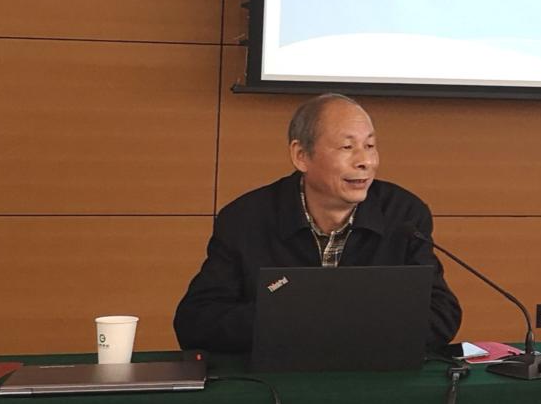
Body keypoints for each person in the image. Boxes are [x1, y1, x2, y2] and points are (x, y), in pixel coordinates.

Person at [173, 93, 461, 353]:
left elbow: (441, 314)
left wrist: (341, 327)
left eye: (370, 145)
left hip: (375, 376)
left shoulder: (404, 215)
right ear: (301, 156)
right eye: (347, 146)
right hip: (274, 379)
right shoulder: (246, 219)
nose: (366, 161)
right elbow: (196, 322)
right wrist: (291, 322)